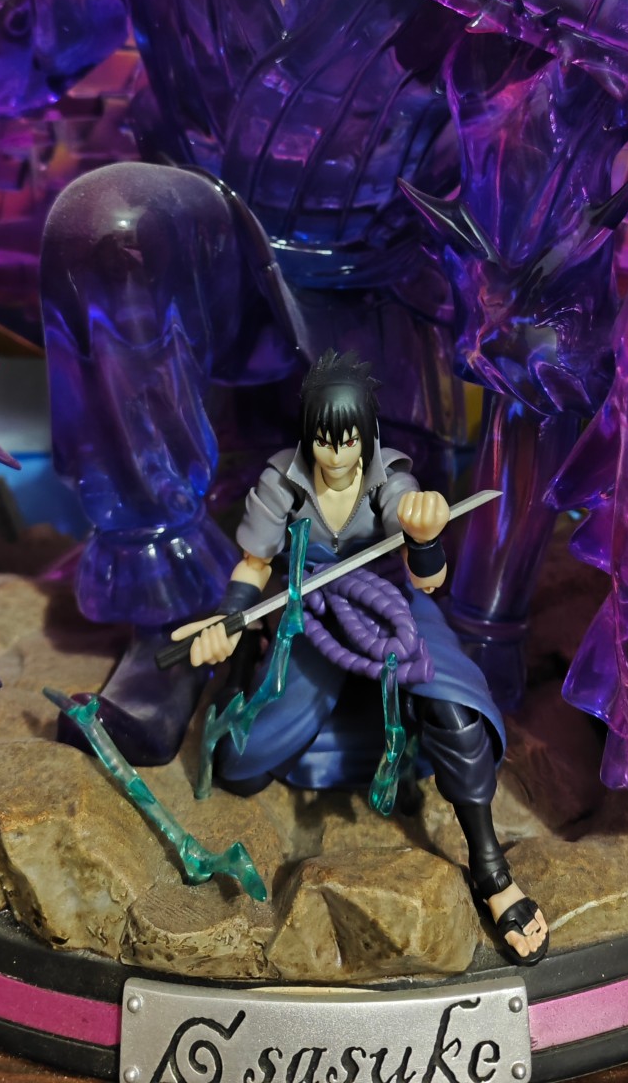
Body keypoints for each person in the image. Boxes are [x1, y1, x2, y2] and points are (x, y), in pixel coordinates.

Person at [173, 350, 548, 967]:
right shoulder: (281, 480)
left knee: (455, 710)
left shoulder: (389, 476)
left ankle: (490, 869)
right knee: (242, 764)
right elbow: (255, 565)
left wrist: (423, 536)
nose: (338, 454)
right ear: (308, 434)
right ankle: (300, 713)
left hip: (388, 605)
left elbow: (427, 581)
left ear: (367, 433)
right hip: (313, 613)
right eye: (325, 440)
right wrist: (230, 620)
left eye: (349, 440)